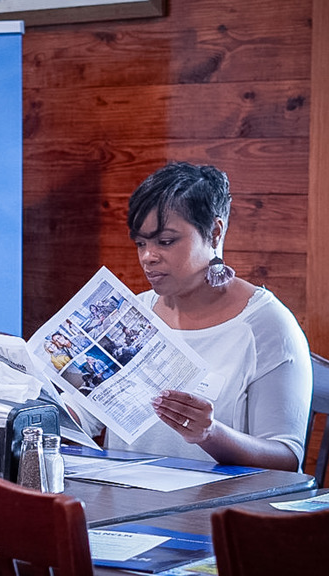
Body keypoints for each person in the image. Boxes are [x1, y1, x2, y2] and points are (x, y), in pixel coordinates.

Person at [79, 162, 312, 471]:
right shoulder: (134, 312)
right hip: (124, 494)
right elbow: (86, 416)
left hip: (220, 501)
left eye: (165, 241)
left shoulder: (266, 325)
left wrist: (210, 434)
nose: (148, 257)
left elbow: (286, 458)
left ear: (214, 233)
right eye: (141, 243)